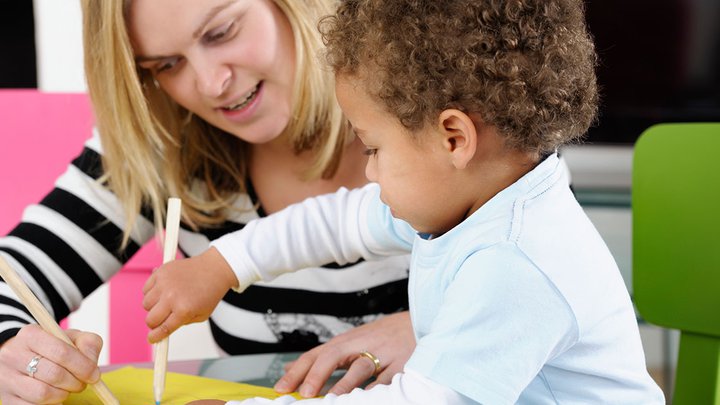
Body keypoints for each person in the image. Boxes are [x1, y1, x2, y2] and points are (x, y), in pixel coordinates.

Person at [147, 0, 668, 403]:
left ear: (454, 138)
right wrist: (221, 264)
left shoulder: (516, 264)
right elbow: (339, 223)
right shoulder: (473, 199)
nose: (368, 171)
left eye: (373, 148)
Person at [0, 0, 417, 403]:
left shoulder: (441, 100)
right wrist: (12, 354)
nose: (210, 84)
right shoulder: (163, 144)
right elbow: (13, 276)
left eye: (222, 32)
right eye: (165, 65)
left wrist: (437, 331)